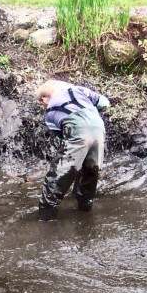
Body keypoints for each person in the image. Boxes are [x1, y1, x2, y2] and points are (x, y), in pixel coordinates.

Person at [35, 80, 110, 219]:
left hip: (77, 129)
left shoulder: (50, 113)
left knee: (59, 174)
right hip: (99, 127)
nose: (43, 105)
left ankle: (46, 215)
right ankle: (85, 208)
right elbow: (104, 103)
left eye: (41, 102)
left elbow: (62, 138)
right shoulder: (78, 90)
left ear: (44, 98)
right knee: (90, 170)